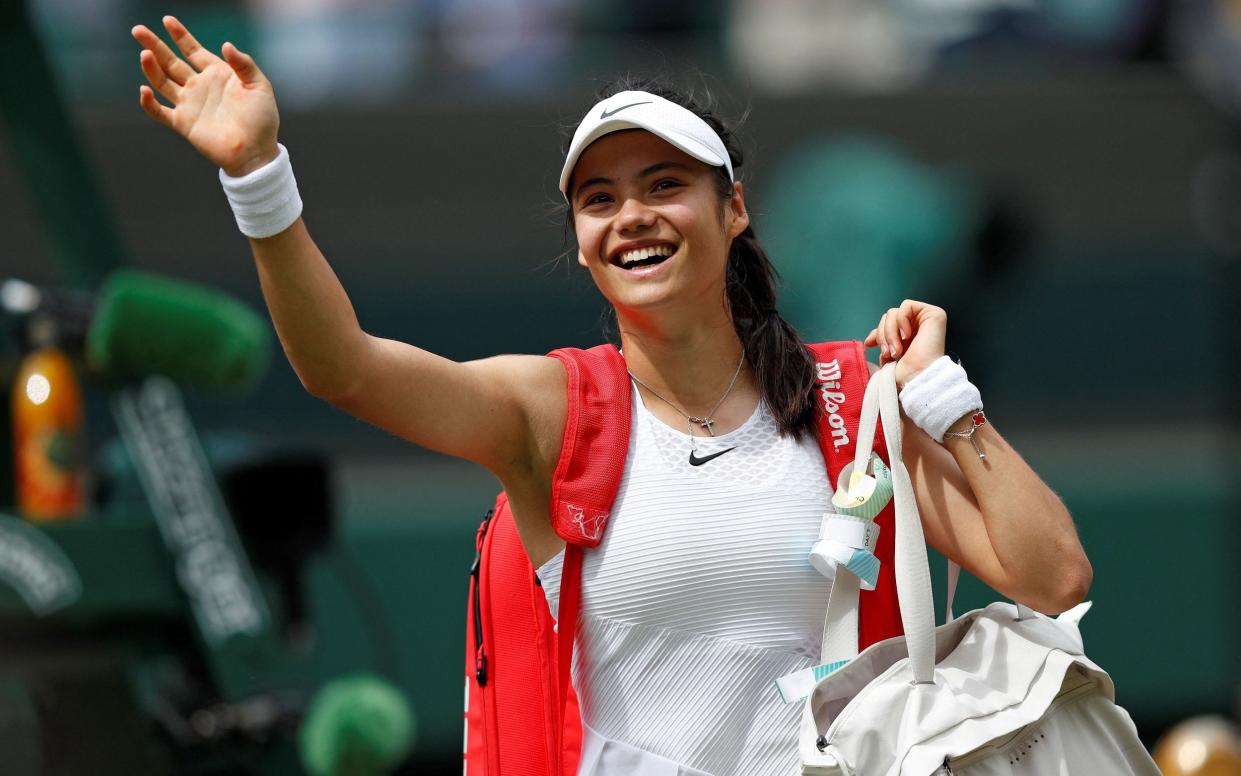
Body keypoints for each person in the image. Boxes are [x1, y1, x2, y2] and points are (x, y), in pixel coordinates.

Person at [131, 15, 1093, 775]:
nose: (630, 216)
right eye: (598, 199)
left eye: (663, 184)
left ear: (733, 208)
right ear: (584, 240)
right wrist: (260, 176)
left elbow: (1052, 579)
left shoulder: (855, 400)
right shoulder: (551, 413)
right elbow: (341, 366)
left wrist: (945, 404)